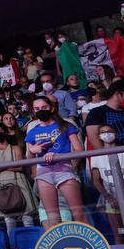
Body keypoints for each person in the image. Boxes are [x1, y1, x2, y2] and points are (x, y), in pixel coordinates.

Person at [25, 96, 88, 231]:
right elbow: (28, 158)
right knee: (52, 217)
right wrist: (33, 150)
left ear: (52, 108)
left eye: (44, 107)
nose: (41, 111)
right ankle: (60, 243)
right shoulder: (32, 131)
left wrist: (57, 155)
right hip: (44, 174)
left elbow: (79, 150)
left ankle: (86, 241)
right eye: (37, 109)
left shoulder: (66, 125)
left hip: (64, 170)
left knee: (78, 212)